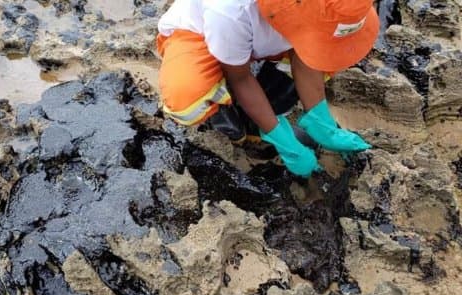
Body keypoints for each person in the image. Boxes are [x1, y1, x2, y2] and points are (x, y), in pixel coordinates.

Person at [156, 0, 379, 177]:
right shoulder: (229, 11)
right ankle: (232, 121)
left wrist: (321, 122)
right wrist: (280, 137)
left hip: (267, 36)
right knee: (186, 97)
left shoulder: (315, 12)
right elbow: (240, 78)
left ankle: (265, 111)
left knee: (330, 56)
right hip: (203, 34)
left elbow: (307, 56)